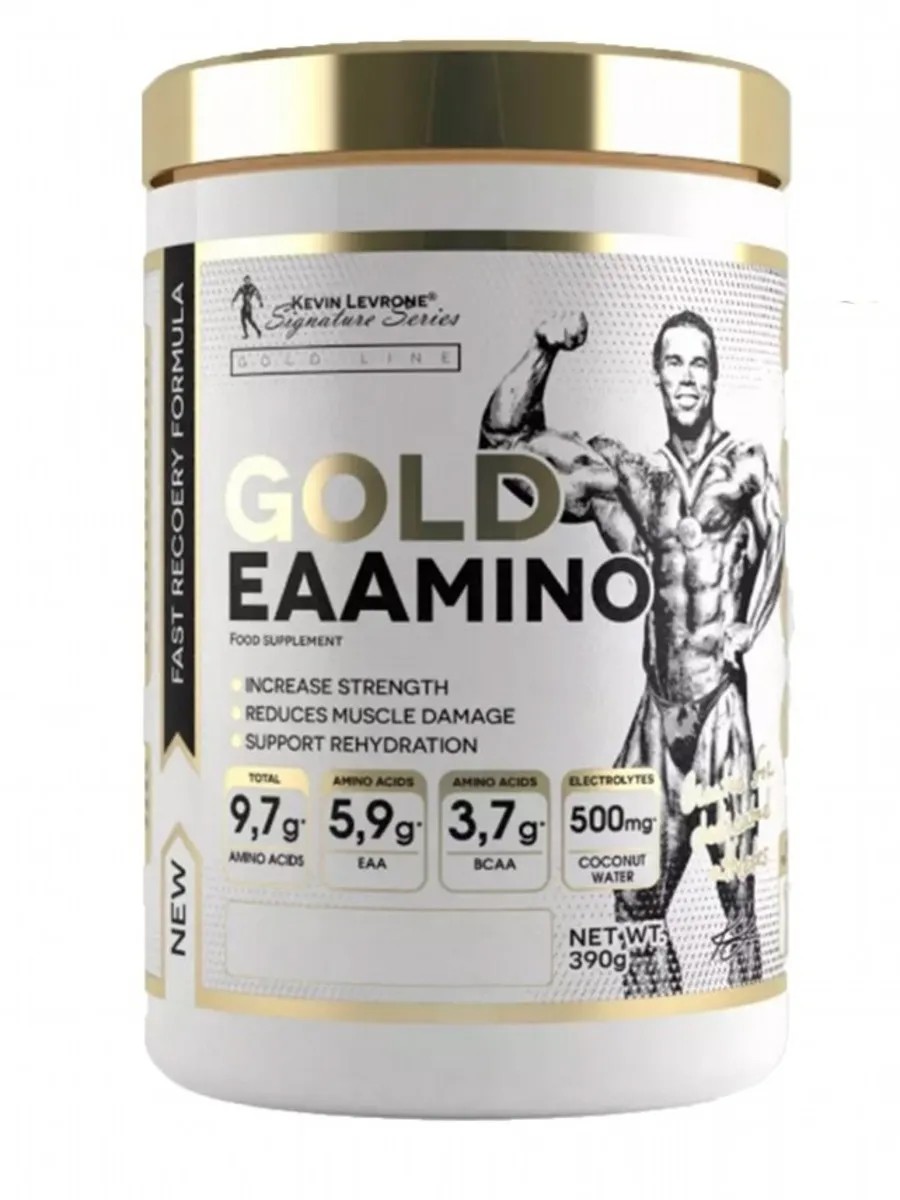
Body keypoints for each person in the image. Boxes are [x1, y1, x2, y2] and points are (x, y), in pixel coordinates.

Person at [481, 310, 784, 995]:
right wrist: (542, 349)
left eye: (699, 363)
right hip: (658, 710)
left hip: (719, 707)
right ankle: (655, 1019)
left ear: (715, 376)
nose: (687, 377)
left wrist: (749, 625)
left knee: (740, 903)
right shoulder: (633, 479)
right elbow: (502, 451)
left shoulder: (743, 464)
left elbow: (778, 537)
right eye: (674, 363)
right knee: (632, 899)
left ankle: (735, 1007)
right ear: (656, 375)